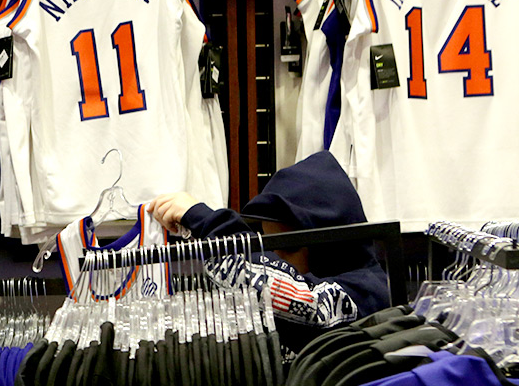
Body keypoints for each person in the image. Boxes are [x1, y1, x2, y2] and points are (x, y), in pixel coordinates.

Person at [151, 150, 391, 354]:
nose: (276, 258)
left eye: (287, 246)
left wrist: (205, 220)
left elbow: (301, 301)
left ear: (326, 246)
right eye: (270, 246)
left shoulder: (368, 292)